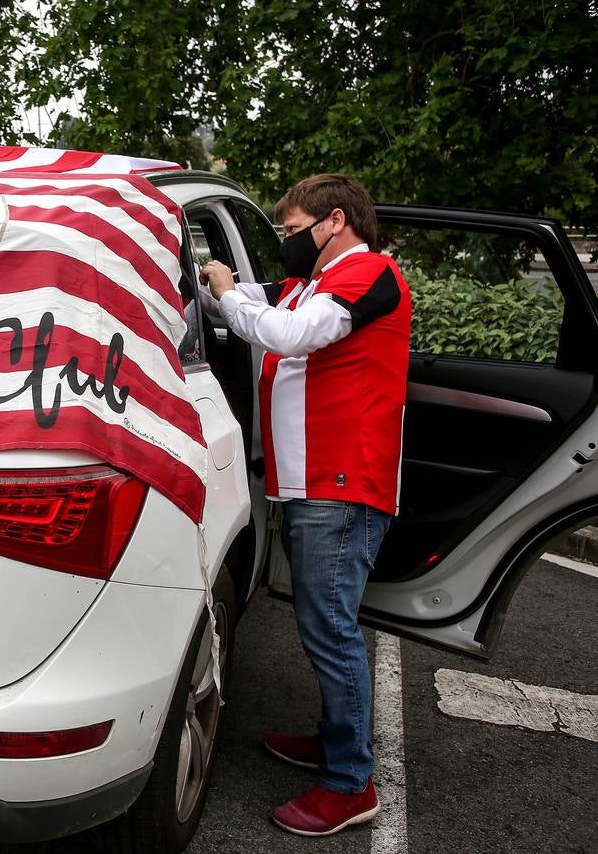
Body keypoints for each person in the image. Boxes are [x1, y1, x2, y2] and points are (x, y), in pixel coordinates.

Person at [197, 173, 411, 838]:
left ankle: (350, 783)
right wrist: (208, 283)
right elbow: (233, 309)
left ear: (335, 221)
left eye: (291, 231)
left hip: (338, 483)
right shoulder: (309, 282)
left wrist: (231, 291)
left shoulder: (365, 273)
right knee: (324, 625)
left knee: (331, 630)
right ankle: (333, 741)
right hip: (308, 482)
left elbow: (289, 335)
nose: (285, 244)